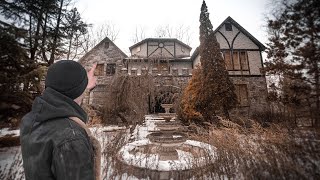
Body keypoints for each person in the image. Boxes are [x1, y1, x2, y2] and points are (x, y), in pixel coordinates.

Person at [20, 60, 100, 180]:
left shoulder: (31, 119)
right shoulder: (71, 138)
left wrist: (83, 85)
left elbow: (67, 98)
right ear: (78, 90)